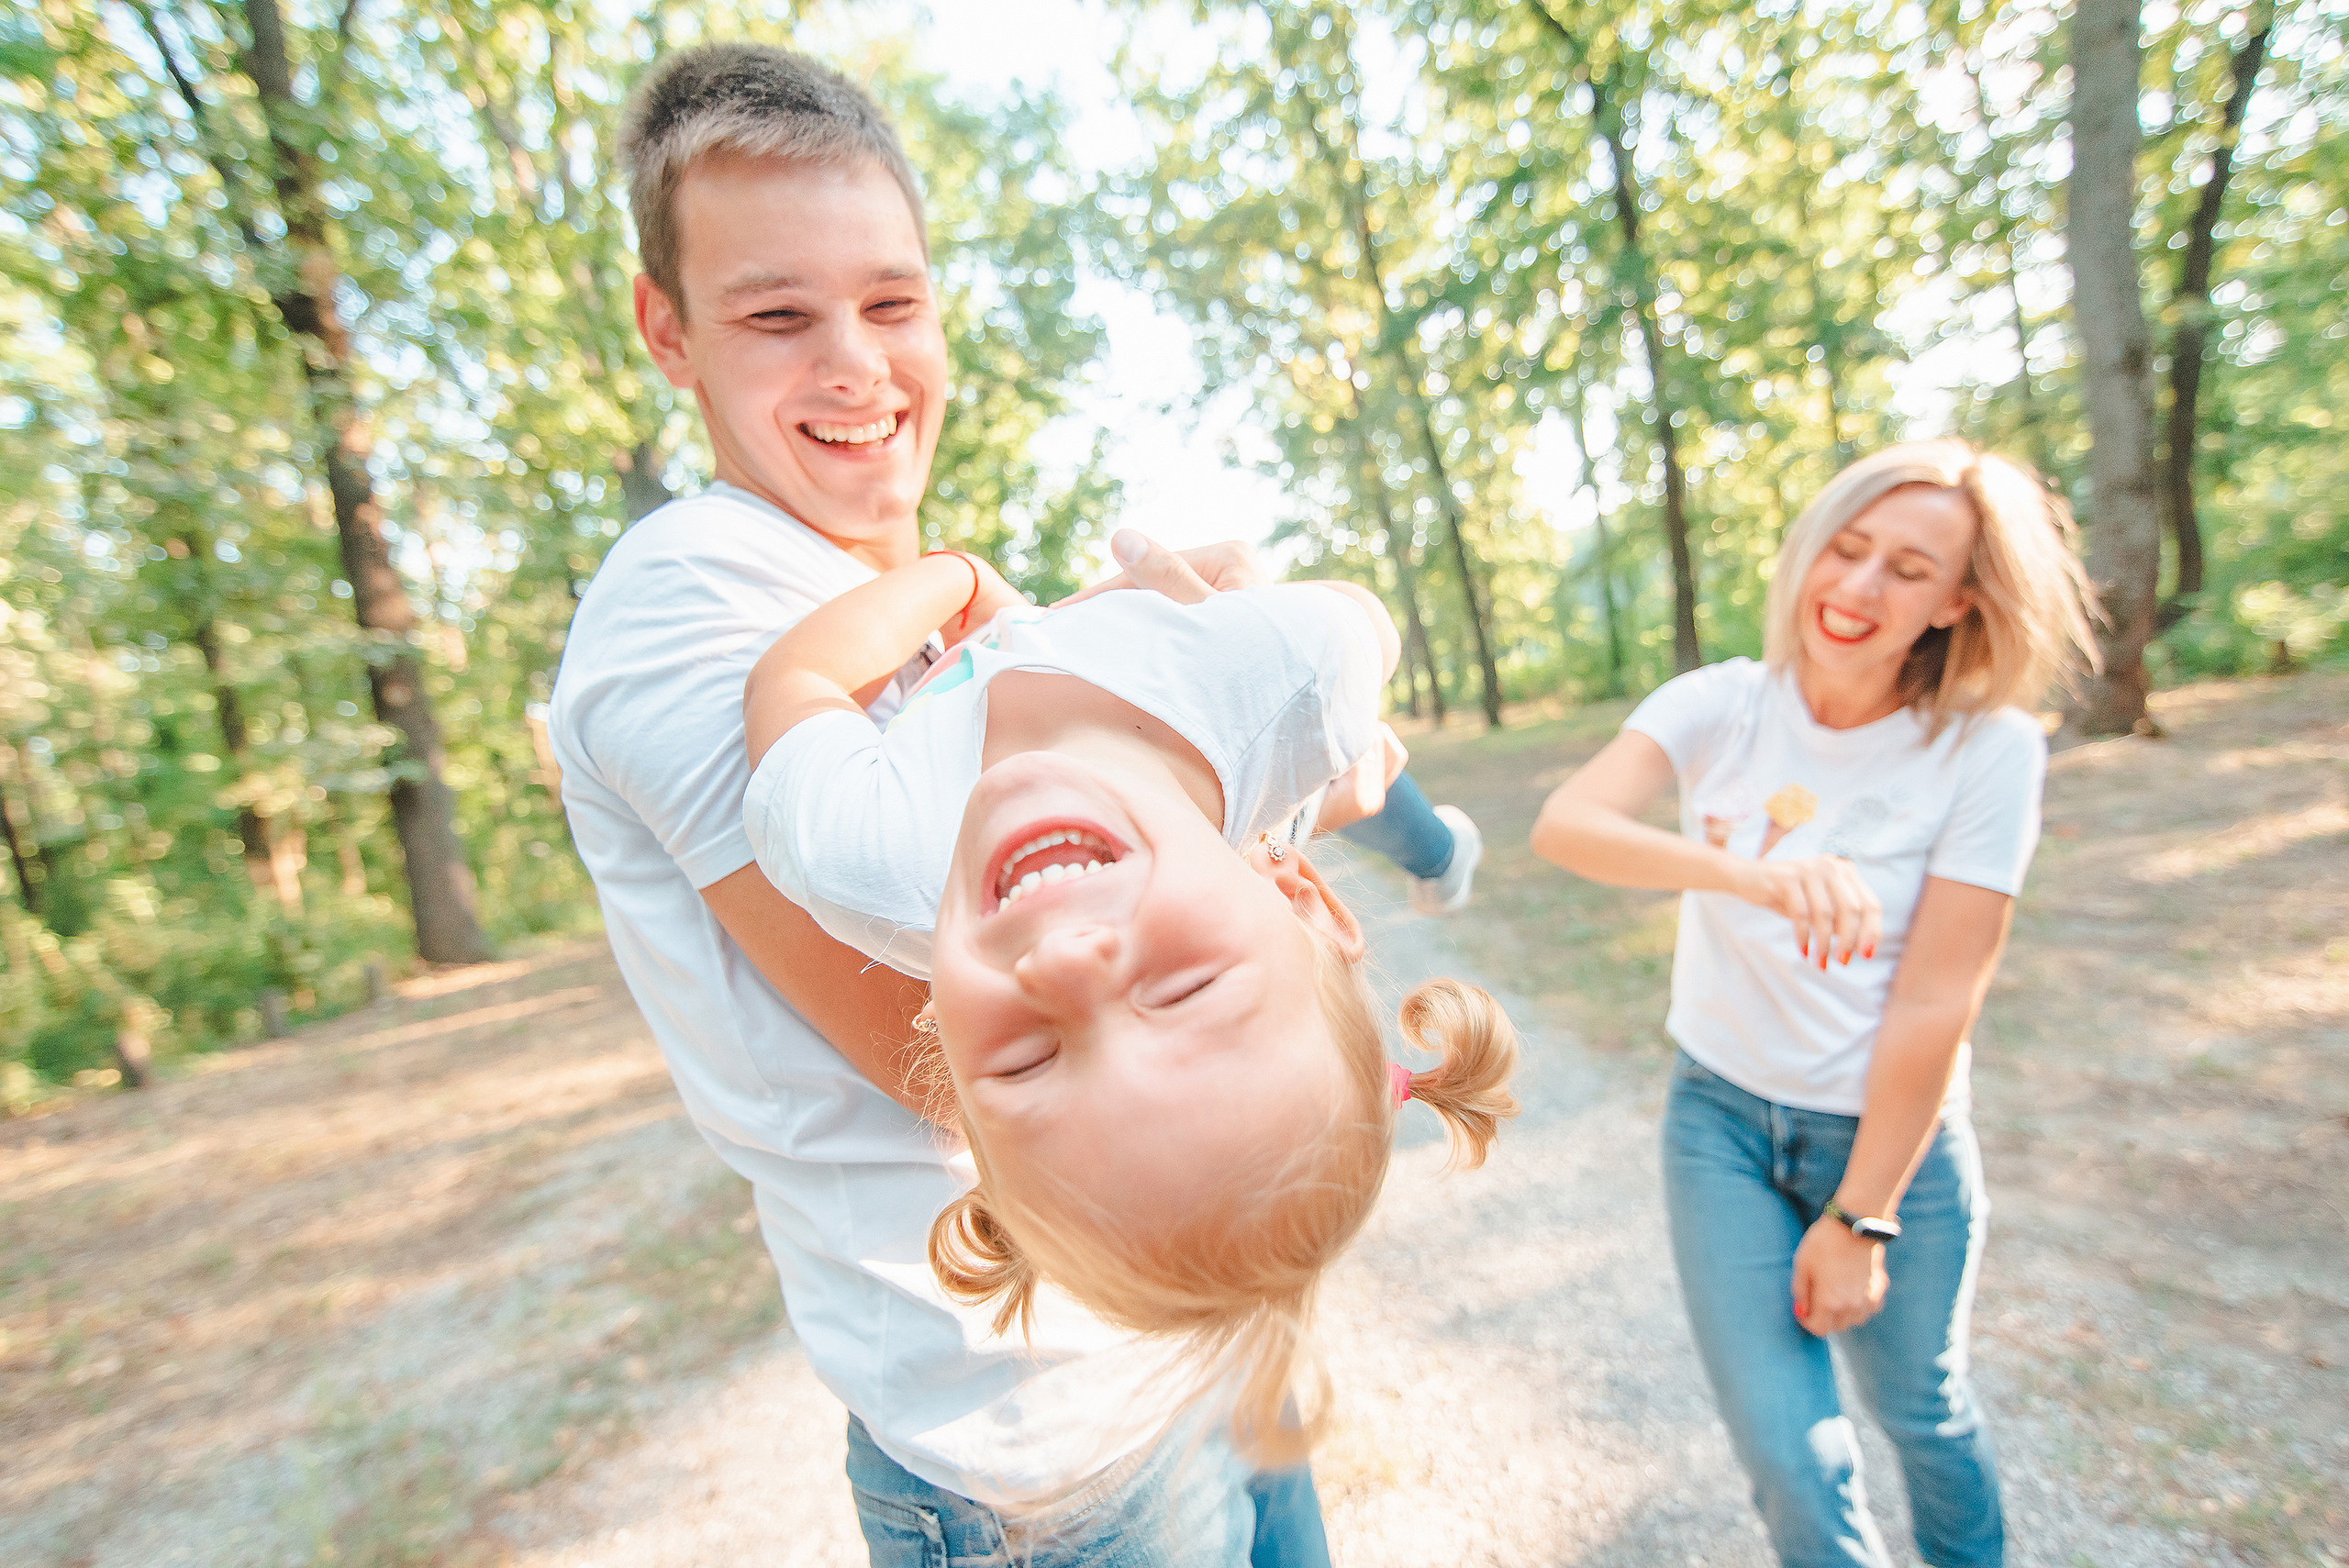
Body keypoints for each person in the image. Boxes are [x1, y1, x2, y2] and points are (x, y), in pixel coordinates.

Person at [550, 42, 1323, 1565]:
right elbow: (957, 1060)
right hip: (1041, 1442)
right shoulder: (683, 605)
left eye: (893, 302)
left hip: (1193, 1338)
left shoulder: (912, 602)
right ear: (667, 329)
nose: (856, 365)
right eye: (777, 314)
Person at [737, 537, 1522, 1462]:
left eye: (1029, 1053)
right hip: (1266, 790)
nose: (1066, 962)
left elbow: (795, 677)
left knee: (1353, 770)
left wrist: (961, 578)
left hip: (1204, 808)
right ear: (1297, 897)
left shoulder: (860, 855)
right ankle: (1439, 857)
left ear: (939, 1027)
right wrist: (1247, 593)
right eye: (1183, 986)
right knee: (1367, 765)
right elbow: (1360, 625)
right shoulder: (1282, 678)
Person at [1530, 440, 2098, 1568]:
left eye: (1906, 568)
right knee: (1792, 1459)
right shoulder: (1720, 704)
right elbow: (1566, 824)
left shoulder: (1986, 752)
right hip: (1717, 1121)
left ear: (1955, 602)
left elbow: (1938, 998)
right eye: (1845, 550)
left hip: (1892, 1146)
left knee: (1922, 1415)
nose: (1857, 588)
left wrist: (1863, 1215)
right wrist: (1746, 872)